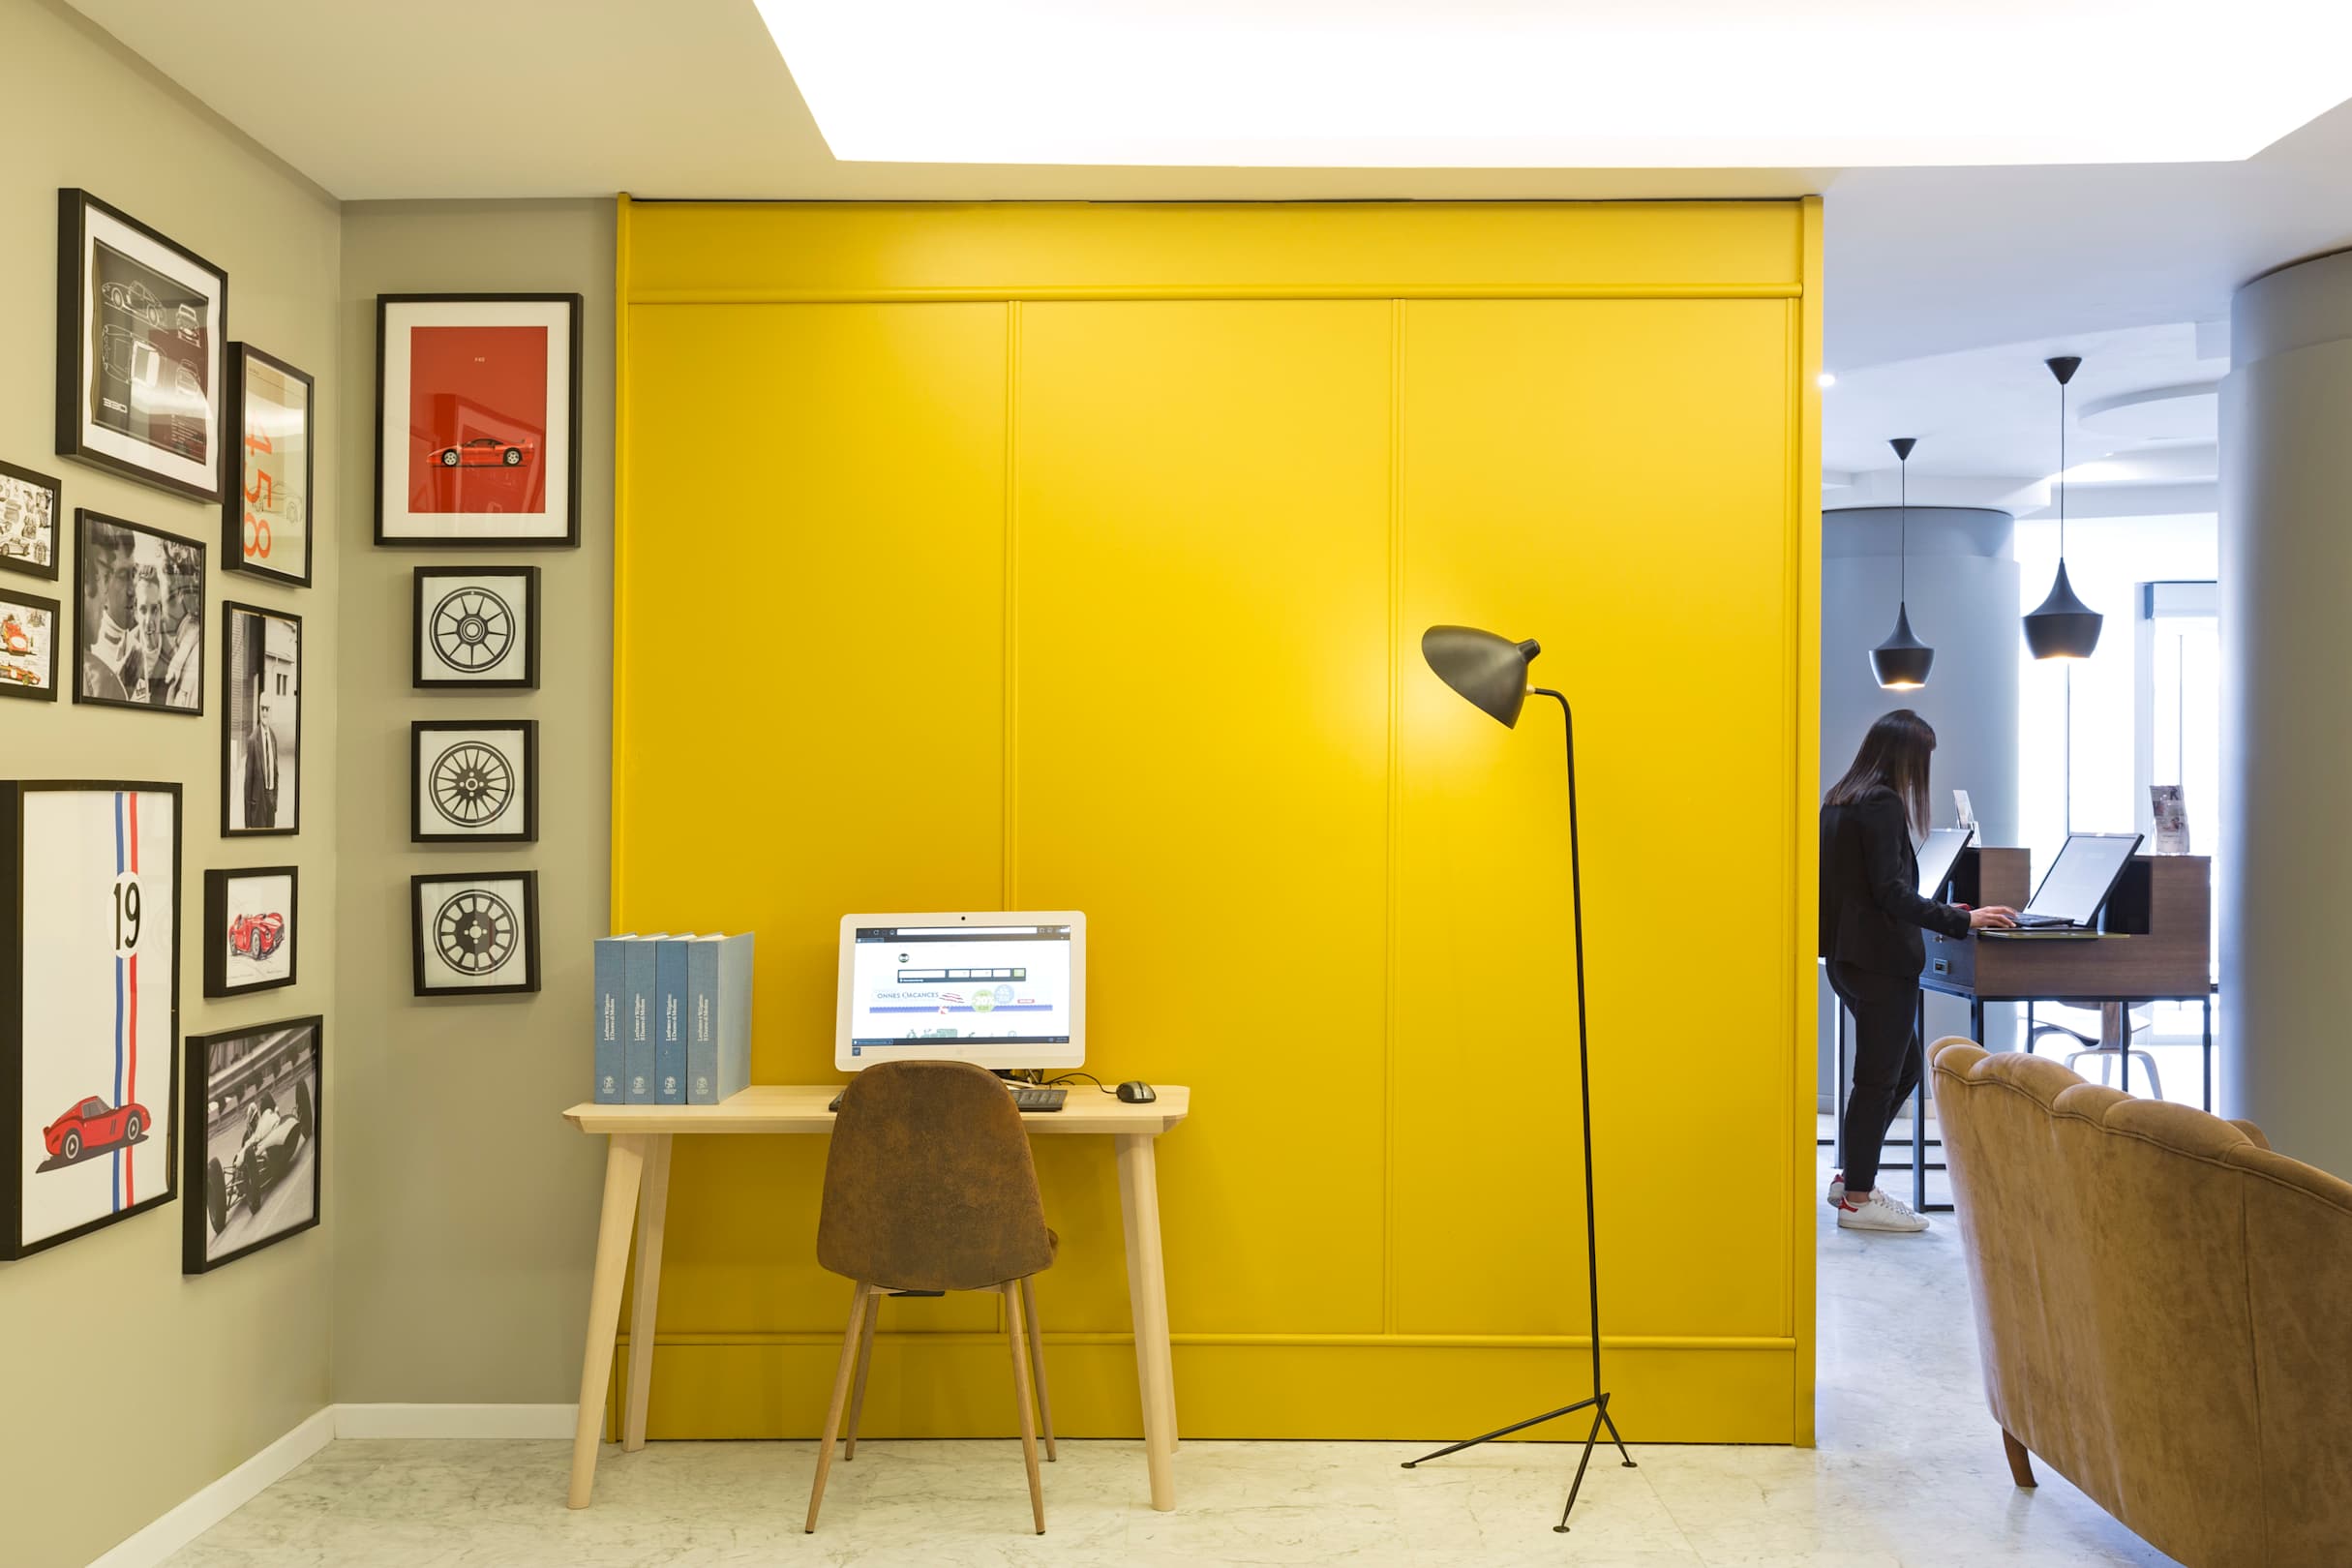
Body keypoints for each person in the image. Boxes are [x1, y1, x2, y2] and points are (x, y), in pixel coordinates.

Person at [1820, 709, 2016, 1233]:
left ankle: (1852, 1176)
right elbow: (1891, 892)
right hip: (1882, 964)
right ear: (1906, 757)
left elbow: (1866, 889)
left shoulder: (1839, 799)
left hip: (1846, 960)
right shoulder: (1881, 802)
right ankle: (1858, 1198)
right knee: (1877, 1079)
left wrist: (1943, 911)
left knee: (1902, 1070)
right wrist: (1962, 919)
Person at [243, 690, 279, 829]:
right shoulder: (253, 740)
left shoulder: (273, 738)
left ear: (271, 711)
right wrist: (247, 822)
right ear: (259, 709)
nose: (264, 713)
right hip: (258, 804)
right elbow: (248, 783)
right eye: (262, 708)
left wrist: (274, 801)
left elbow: (275, 773)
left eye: (267, 709)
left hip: (270, 800)